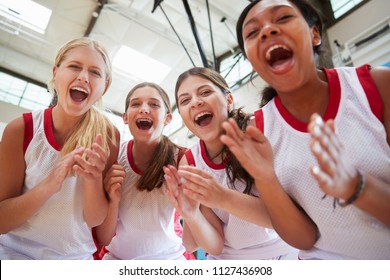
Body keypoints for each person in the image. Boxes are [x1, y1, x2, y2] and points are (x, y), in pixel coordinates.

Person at [220, 0, 390, 259]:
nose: (267, 31)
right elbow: (304, 239)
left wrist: (357, 188)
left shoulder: (375, 86)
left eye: (283, 18)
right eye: (253, 33)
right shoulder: (258, 131)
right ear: (252, 63)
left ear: (314, 34)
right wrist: (266, 180)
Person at [0, 37, 119, 259]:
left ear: (105, 85)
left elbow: (94, 220)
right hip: (14, 253)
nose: (83, 77)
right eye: (74, 66)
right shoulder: (21, 129)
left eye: (95, 72)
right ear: (55, 72)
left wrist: (93, 180)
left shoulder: (108, 135)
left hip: (73, 258)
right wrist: (48, 186)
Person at [163, 67, 298, 259]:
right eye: (185, 100)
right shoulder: (190, 161)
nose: (195, 102)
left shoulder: (257, 131)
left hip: (283, 251)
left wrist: (221, 197)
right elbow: (214, 245)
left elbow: (286, 218)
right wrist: (191, 215)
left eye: (205, 92)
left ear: (228, 100)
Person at [94, 82, 193, 260]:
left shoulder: (182, 158)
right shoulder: (114, 155)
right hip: (117, 257)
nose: (144, 109)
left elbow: (195, 231)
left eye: (154, 104)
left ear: (168, 118)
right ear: (125, 117)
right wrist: (113, 200)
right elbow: (103, 237)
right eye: (136, 104)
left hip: (170, 258)